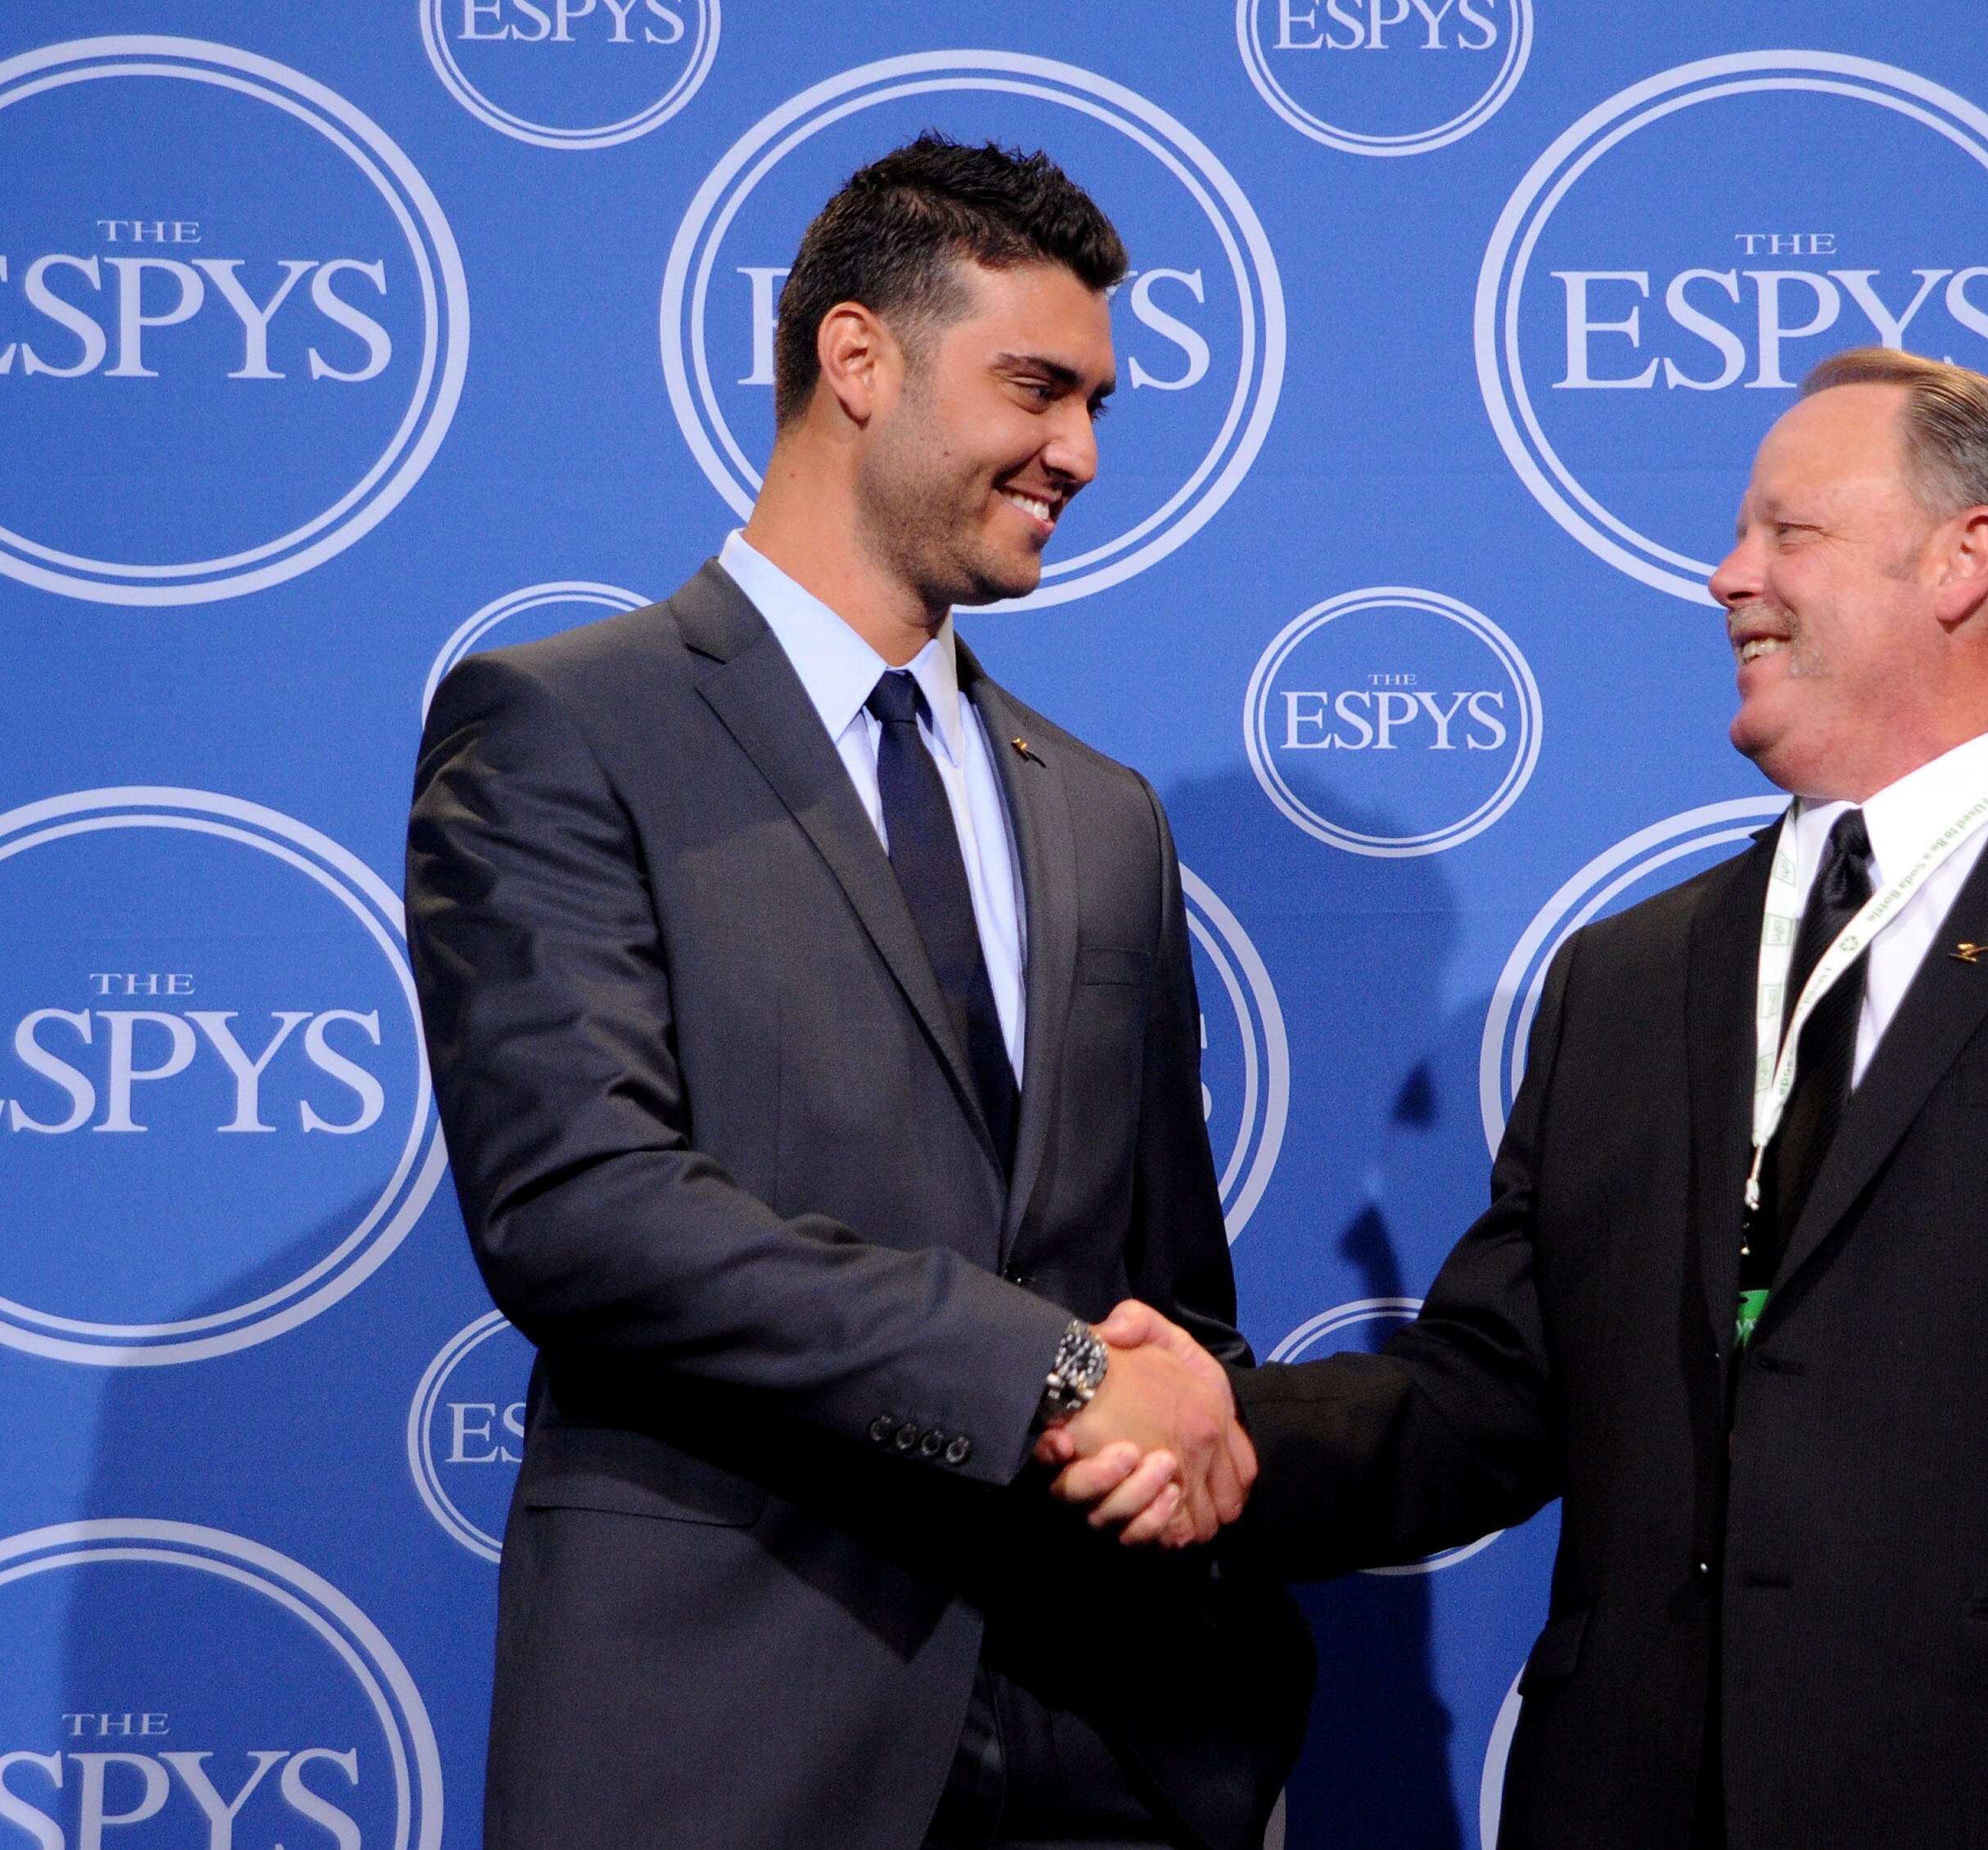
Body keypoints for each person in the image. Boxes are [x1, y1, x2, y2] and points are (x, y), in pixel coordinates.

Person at [1057, 348, 1988, 1848]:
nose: (1728, 577)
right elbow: (1488, 1398)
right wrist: (1214, 1435)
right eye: (1739, 536)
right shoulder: (1631, 979)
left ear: (1966, 560)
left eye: (1790, 533)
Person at [408, 136, 1306, 1850]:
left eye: (1101, 402)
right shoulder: (564, 723)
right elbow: (580, 1210)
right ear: (856, 359)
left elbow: (1166, 1293)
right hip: (736, 1719)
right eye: (1037, 387)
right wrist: (1040, 1371)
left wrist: (1186, 1441)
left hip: (1113, 1729)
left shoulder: (1100, 808)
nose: (1082, 452)